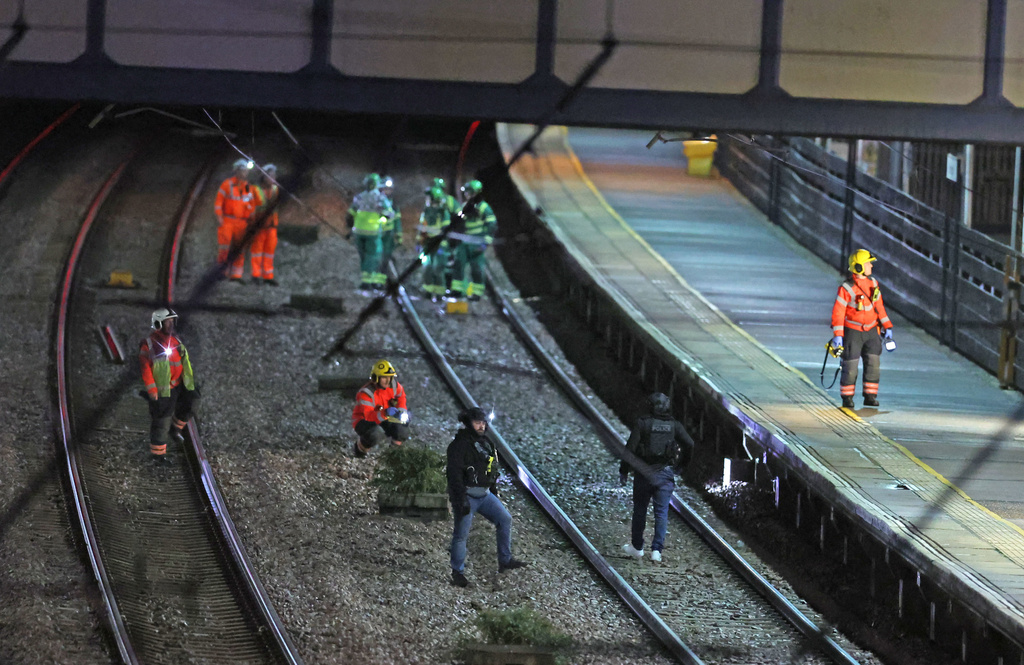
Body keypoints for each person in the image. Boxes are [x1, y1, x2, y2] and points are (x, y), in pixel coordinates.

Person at [447, 407, 526, 587]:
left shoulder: (486, 443)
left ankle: (505, 560)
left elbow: (490, 468)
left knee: (504, 519)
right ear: (468, 424)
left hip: (484, 493)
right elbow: (454, 475)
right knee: (461, 535)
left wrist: (493, 490)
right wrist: (460, 499)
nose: (481, 426)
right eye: (477, 423)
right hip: (467, 494)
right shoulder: (459, 445)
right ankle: (457, 572)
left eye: (483, 423)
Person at [619, 392, 693, 563]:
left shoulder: (643, 423)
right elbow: (690, 443)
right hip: (665, 473)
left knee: (640, 510)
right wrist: (682, 465)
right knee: (662, 513)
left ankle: (637, 547)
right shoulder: (674, 425)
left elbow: (630, 449)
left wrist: (624, 470)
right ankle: (656, 551)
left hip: (644, 472)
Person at [830, 249, 894, 409]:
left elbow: (879, 306)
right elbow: (838, 313)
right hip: (853, 332)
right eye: (868, 263)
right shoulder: (846, 288)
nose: (871, 265)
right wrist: (838, 335)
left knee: (873, 363)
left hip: (872, 331)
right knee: (850, 366)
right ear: (859, 267)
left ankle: (870, 396)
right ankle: (847, 398)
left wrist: (887, 326)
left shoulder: (873, 284)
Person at [139, 308, 198, 462]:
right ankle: (157, 456)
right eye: (167, 321)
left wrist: (189, 384)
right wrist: (152, 390)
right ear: (158, 323)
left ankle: (175, 429)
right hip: (164, 390)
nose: (171, 324)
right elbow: (145, 369)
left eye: (172, 321)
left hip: (179, 385)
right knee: (161, 421)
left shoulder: (176, 341)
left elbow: (184, 362)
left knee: (193, 402)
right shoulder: (149, 345)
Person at [351, 359, 410, 458]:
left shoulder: (394, 386)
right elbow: (368, 415)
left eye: (390, 377)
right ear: (375, 378)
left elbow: (401, 397)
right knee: (375, 434)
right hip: (363, 420)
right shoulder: (366, 393)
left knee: (402, 430)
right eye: (384, 377)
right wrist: (385, 413)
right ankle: (360, 450)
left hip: (385, 416)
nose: (388, 380)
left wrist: (401, 411)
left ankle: (393, 455)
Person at [449, 179, 497, 301]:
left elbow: (492, 225)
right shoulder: (466, 206)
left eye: (468, 192)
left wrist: (485, 242)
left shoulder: (484, 207)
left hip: (476, 243)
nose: (466, 195)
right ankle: (457, 290)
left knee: (477, 268)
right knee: (458, 264)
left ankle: (477, 293)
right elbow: (458, 222)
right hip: (464, 243)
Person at [346, 173, 394, 291]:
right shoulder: (380, 198)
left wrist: (350, 229)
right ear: (377, 185)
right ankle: (369, 282)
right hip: (372, 232)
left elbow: (350, 214)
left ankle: (365, 281)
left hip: (358, 231)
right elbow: (389, 214)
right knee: (373, 256)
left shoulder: (359, 197)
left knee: (363, 256)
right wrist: (382, 221)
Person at [214, 158, 257, 282]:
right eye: (242, 171)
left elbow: (251, 205)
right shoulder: (227, 185)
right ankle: (222, 272)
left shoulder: (248, 187)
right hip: (227, 220)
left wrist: (251, 221)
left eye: (245, 171)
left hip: (242, 222)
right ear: (236, 171)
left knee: (240, 249)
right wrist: (219, 217)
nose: (244, 173)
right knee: (224, 248)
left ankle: (236, 275)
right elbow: (218, 203)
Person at [418, 186, 451, 301]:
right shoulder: (426, 211)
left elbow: (446, 228)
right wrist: (419, 241)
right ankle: (428, 290)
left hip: (440, 244)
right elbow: (422, 227)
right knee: (427, 266)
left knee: (438, 268)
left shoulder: (443, 212)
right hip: (428, 243)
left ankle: (439, 293)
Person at [250, 163, 280, 286]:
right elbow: (250, 208)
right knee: (257, 251)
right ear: (264, 177)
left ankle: (268, 276)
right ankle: (256, 275)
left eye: (274, 175)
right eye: (270, 176)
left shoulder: (276, 189)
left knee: (269, 252)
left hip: (272, 225)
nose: (273, 178)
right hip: (259, 226)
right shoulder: (255, 189)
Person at [378, 175, 403, 271]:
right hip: (378, 234)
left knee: (387, 257)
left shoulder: (394, 204)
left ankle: (385, 280)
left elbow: (397, 220)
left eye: (389, 189)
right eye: (385, 189)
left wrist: (398, 235)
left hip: (389, 235)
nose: (387, 191)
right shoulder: (377, 202)